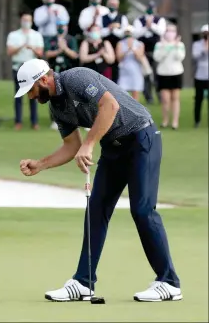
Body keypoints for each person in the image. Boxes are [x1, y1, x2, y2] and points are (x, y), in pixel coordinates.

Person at [15, 58, 182, 302]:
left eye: (31, 90)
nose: (31, 97)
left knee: (142, 210)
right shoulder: (57, 108)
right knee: (96, 210)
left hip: (141, 138)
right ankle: (84, 282)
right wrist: (41, 164)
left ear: (44, 79)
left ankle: (169, 282)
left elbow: (110, 106)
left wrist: (89, 144)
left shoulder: (77, 77)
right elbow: (72, 146)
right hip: (113, 148)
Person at [7, 11, 44, 130]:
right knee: (19, 94)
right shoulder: (13, 35)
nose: (26, 22)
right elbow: (9, 52)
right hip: (18, 66)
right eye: (24, 20)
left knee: (33, 94)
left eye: (28, 20)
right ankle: (18, 121)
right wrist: (21, 45)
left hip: (31, 67)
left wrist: (31, 47)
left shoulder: (36, 35)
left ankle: (34, 122)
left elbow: (40, 53)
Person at [44, 19, 79, 130]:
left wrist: (65, 49)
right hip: (54, 71)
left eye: (63, 26)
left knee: (69, 95)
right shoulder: (52, 39)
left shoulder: (71, 39)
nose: (61, 28)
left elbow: (74, 55)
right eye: (59, 25)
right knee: (54, 95)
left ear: (66, 27)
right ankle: (55, 120)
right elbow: (48, 53)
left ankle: (71, 120)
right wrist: (59, 50)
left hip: (67, 70)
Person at [133, 0, 166, 104]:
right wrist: (146, 27)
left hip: (156, 51)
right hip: (143, 52)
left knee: (158, 75)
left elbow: (161, 31)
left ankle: (160, 96)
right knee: (146, 75)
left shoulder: (159, 20)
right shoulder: (139, 20)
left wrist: (151, 25)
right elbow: (136, 34)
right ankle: (148, 97)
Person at [153, 24, 185, 130]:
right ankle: (165, 120)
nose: (170, 33)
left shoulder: (180, 44)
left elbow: (180, 57)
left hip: (176, 73)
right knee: (165, 99)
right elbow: (157, 57)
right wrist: (165, 47)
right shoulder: (159, 44)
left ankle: (175, 121)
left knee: (175, 98)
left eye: (172, 31)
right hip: (163, 73)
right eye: (168, 31)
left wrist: (175, 46)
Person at [116, 25, 145, 101]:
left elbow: (139, 57)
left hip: (136, 71)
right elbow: (119, 58)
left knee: (135, 92)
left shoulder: (139, 44)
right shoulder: (120, 43)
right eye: (127, 32)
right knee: (123, 93)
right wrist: (127, 50)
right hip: (124, 70)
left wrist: (133, 48)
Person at [192, 24, 209, 128]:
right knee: (199, 99)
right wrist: (205, 49)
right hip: (200, 75)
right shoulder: (197, 44)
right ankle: (197, 120)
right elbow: (196, 56)